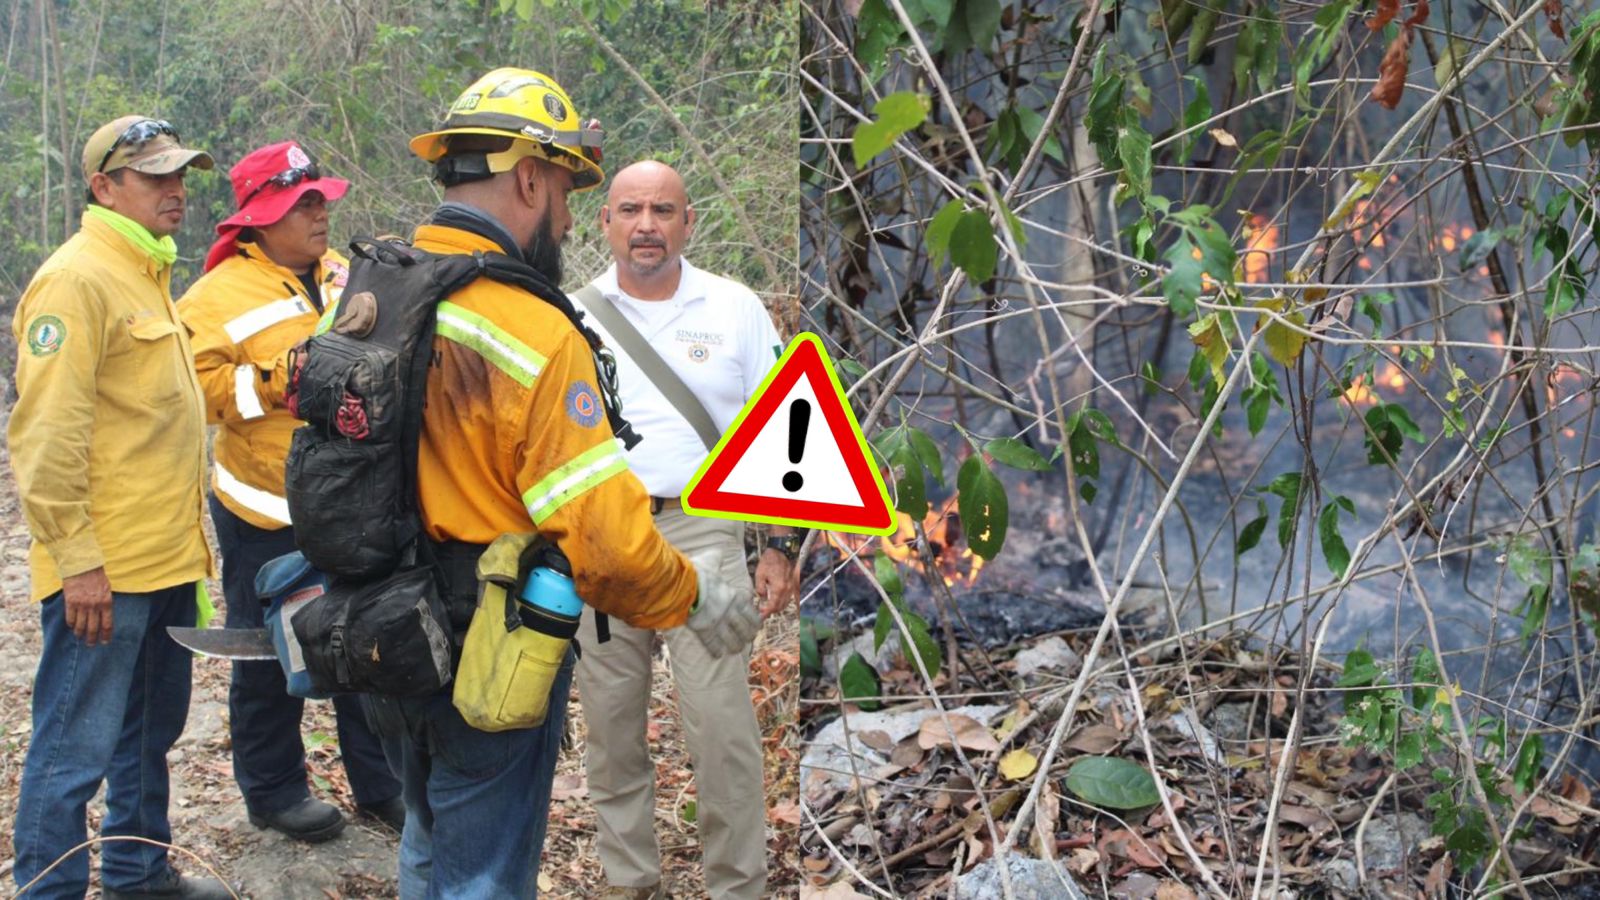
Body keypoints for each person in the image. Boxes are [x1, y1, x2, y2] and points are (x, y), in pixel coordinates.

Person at [363, 67, 760, 898]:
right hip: (493, 633)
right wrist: (694, 598)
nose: (576, 217)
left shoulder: (376, 289)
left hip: (384, 627)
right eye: (577, 193)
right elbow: (607, 541)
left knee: (428, 838)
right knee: (484, 863)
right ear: (531, 177)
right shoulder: (533, 325)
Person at [8, 116, 230, 900]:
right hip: (106, 570)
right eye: (156, 177)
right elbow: (45, 437)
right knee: (73, 749)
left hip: (164, 560)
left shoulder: (147, 272)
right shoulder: (77, 279)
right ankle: (49, 889)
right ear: (104, 188)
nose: (176, 191)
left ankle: (139, 873)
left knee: (147, 737)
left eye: (180, 175)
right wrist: (79, 563)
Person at [574, 160, 799, 900]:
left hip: (704, 533)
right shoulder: (570, 316)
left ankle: (739, 888)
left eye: (663, 211)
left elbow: (783, 429)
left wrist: (777, 545)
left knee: (723, 730)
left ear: (688, 222)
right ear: (604, 222)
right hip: (604, 543)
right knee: (611, 731)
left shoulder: (733, 308)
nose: (646, 225)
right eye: (631, 210)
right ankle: (628, 882)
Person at [175, 141, 405, 843]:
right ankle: (274, 791)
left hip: (361, 498)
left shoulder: (345, 272)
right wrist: (288, 377)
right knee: (270, 648)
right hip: (265, 504)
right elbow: (204, 392)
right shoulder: (213, 298)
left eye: (319, 201)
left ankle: (379, 783)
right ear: (259, 218)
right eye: (300, 205)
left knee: (367, 639)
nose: (318, 215)